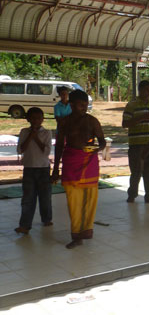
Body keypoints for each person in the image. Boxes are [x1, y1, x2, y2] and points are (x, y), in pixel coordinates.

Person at [52, 89, 106, 249]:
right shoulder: (64, 122)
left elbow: (102, 141)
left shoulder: (92, 121)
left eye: (85, 105)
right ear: (71, 104)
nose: (83, 108)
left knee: (90, 198)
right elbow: (59, 146)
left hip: (89, 161)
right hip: (71, 161)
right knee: (73, 200)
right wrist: (55, 169)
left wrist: (96, 149)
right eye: (80, 105)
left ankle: (86, 230)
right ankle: (76, 234)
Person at [14, 107, 53, 234]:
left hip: (43, 168)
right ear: (28, 119)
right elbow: (20, 150)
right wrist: (30, 136)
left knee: (45, 197)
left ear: (42, 119)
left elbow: (46, 152)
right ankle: (25, 225)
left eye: (38, 118)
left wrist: (36, 138)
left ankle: (46, 218)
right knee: (27, 198)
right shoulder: (24, 132)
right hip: (29, 168)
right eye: (33, 118)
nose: (36, 121)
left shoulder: (47, 133)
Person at [122, 80, 149, 203]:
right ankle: (132, 195)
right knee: (136, 171)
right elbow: (125, 124)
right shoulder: (131, 105)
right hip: (136, 144)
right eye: (147, 90)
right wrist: (142, 118)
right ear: (140, 90)